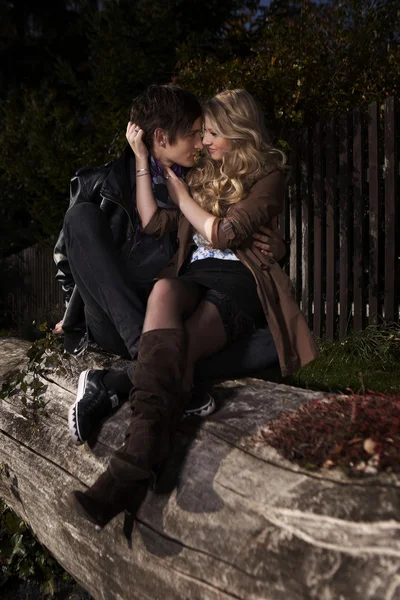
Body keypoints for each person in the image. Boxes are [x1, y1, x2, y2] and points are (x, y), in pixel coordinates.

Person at [69, 88, 318, 529]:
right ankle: (143, 450)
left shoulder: (269, 176)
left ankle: (131, 462)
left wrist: (185, 199)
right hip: (195, 276)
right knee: (165, 289)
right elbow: (151, 220)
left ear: (238, 133)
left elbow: (225, 234)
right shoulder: (205, 176)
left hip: (239, 284)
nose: (203, 142)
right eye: (202, 133)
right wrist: (148, 161)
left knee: (180, 347)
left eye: (212, 133)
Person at [53, 85, 286, 446]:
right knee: (81, 217)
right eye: (194, 133)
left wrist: (276, 244)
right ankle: (154, 364)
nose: (200, 142)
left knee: (269, 345)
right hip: (120, 319)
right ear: (161, 136)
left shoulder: (198, 176)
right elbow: (72, 261)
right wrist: (69, 315)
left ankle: (151, 372)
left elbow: (230, 221)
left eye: (204, 133)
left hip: (172, 311)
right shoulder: (101, 182)